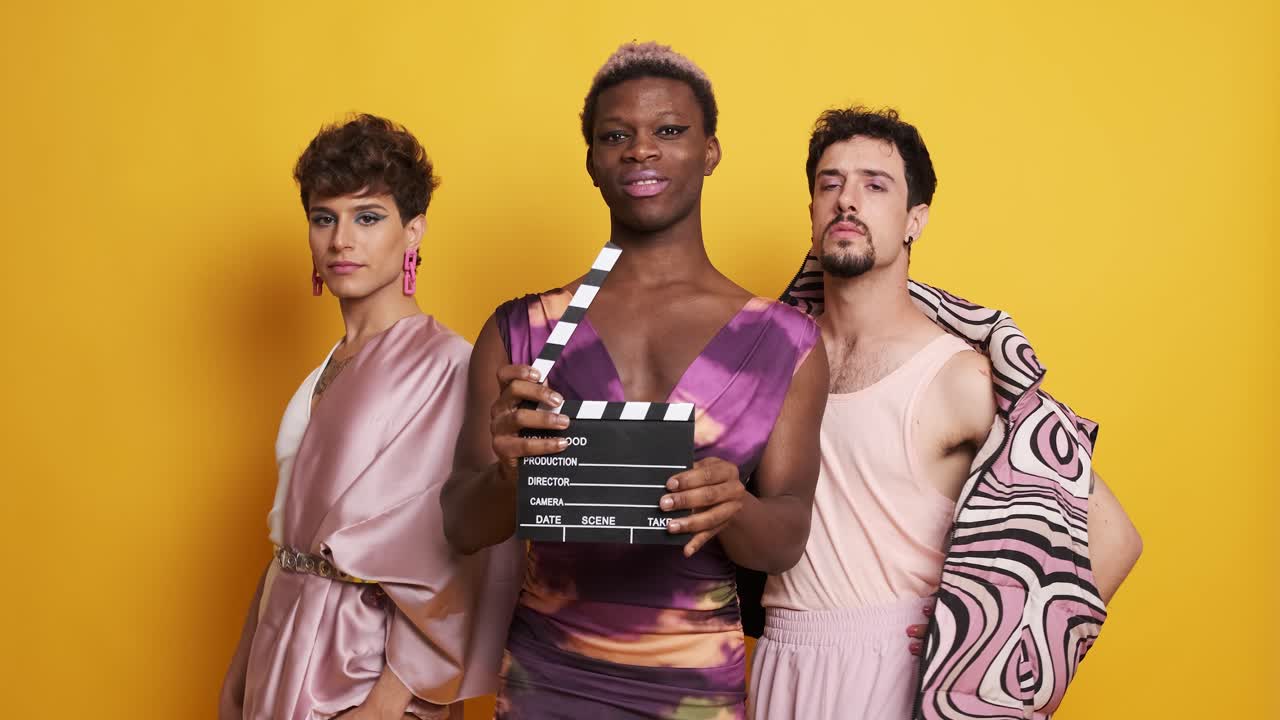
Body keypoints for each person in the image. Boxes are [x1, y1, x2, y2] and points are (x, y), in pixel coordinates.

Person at [440, 42, 827, 719]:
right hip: (546, 677)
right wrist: (506, 474)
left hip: (694, 689)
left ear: (710, 150)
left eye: (669, 131)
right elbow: (460, 525)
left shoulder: (786, 343)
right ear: (592, 161)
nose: (640, 150)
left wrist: (736, 507)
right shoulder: (522, 332)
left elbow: (787, 538)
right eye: (615, 135)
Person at [746, 107, 1144, 719]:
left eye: (875, 185)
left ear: (914, 220)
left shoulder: (959, 375)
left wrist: (987, 646)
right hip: (781, 659)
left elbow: (1113, 538)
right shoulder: (772, 358)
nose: (847, 200)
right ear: (812, 212)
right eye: (831, 183)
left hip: (896, 669)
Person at [218, 114, 522, 720]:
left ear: (414, 231)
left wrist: (386, 704)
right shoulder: (328, 364)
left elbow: (458, 553)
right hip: (286, 637)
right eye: (324, 218)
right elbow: (292, 533)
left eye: (368, 217)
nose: (341, 241)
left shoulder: (445, 364)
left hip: (366, 669)